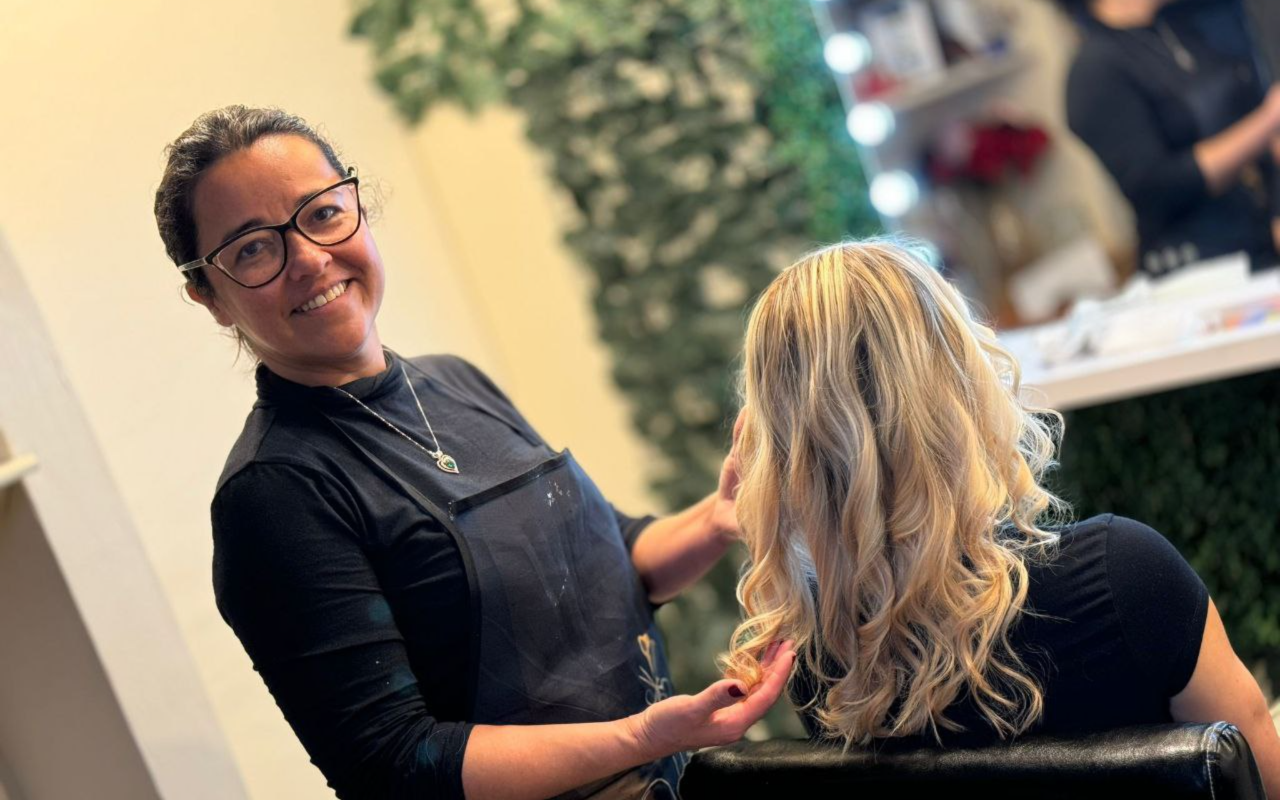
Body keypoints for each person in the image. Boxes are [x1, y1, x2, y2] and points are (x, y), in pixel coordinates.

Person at [154, 105, 795, 800]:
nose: (309, 258)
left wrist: (716, 519)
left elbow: (613, 561)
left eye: (323, 212)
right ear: (209, 296)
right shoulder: (276, 494)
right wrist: (641, 737)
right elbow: (397, 763)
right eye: (253, 249)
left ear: (358, 208)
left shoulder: (454, 382)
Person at [720, 240, 1280, 796]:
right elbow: (1261, 780)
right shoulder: (1124, 574)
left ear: (777, 443)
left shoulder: (816, 657)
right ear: (956, 379)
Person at [1056, 0, 1280, 276]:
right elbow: (1157, 187)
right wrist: (1267, 120)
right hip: (1200, 266)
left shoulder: (1182, 29)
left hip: (1261, 236)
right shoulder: (1094, 70)